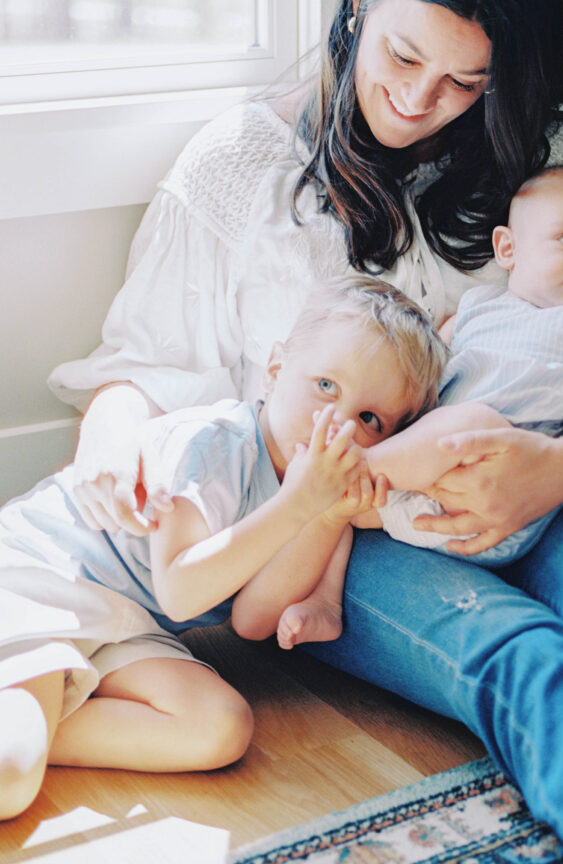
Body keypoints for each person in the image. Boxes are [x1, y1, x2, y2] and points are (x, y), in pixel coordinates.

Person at [43, 0, 563, 863]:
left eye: (468, 81)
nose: (423, 100)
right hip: (362, 528)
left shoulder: (551, 164)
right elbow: (140, 369)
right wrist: (109, 448)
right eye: (403, 57)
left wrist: (558, 466)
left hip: (554, 485)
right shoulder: (239, 168)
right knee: (520, 659)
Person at [0, 278, 446, 820]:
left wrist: (324, 515)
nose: (339, 425)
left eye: (370, 420)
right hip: (46, 579)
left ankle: (41, 722)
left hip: (127, 623)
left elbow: (253, 622)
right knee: (11, 778)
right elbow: (181, 591)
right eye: (326, 386)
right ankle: (27, 732)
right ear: (276, 368)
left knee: (220, 728)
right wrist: (299, 505)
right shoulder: (212, 445)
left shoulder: (324, 503)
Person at [277, 165, 563, 651]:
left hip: (500, 502)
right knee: (343, 512)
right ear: (508, 249)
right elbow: (421, 379)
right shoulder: (475, 309)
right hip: (418, 490)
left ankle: (330, 476)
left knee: (462, 426)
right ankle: (325, 602)